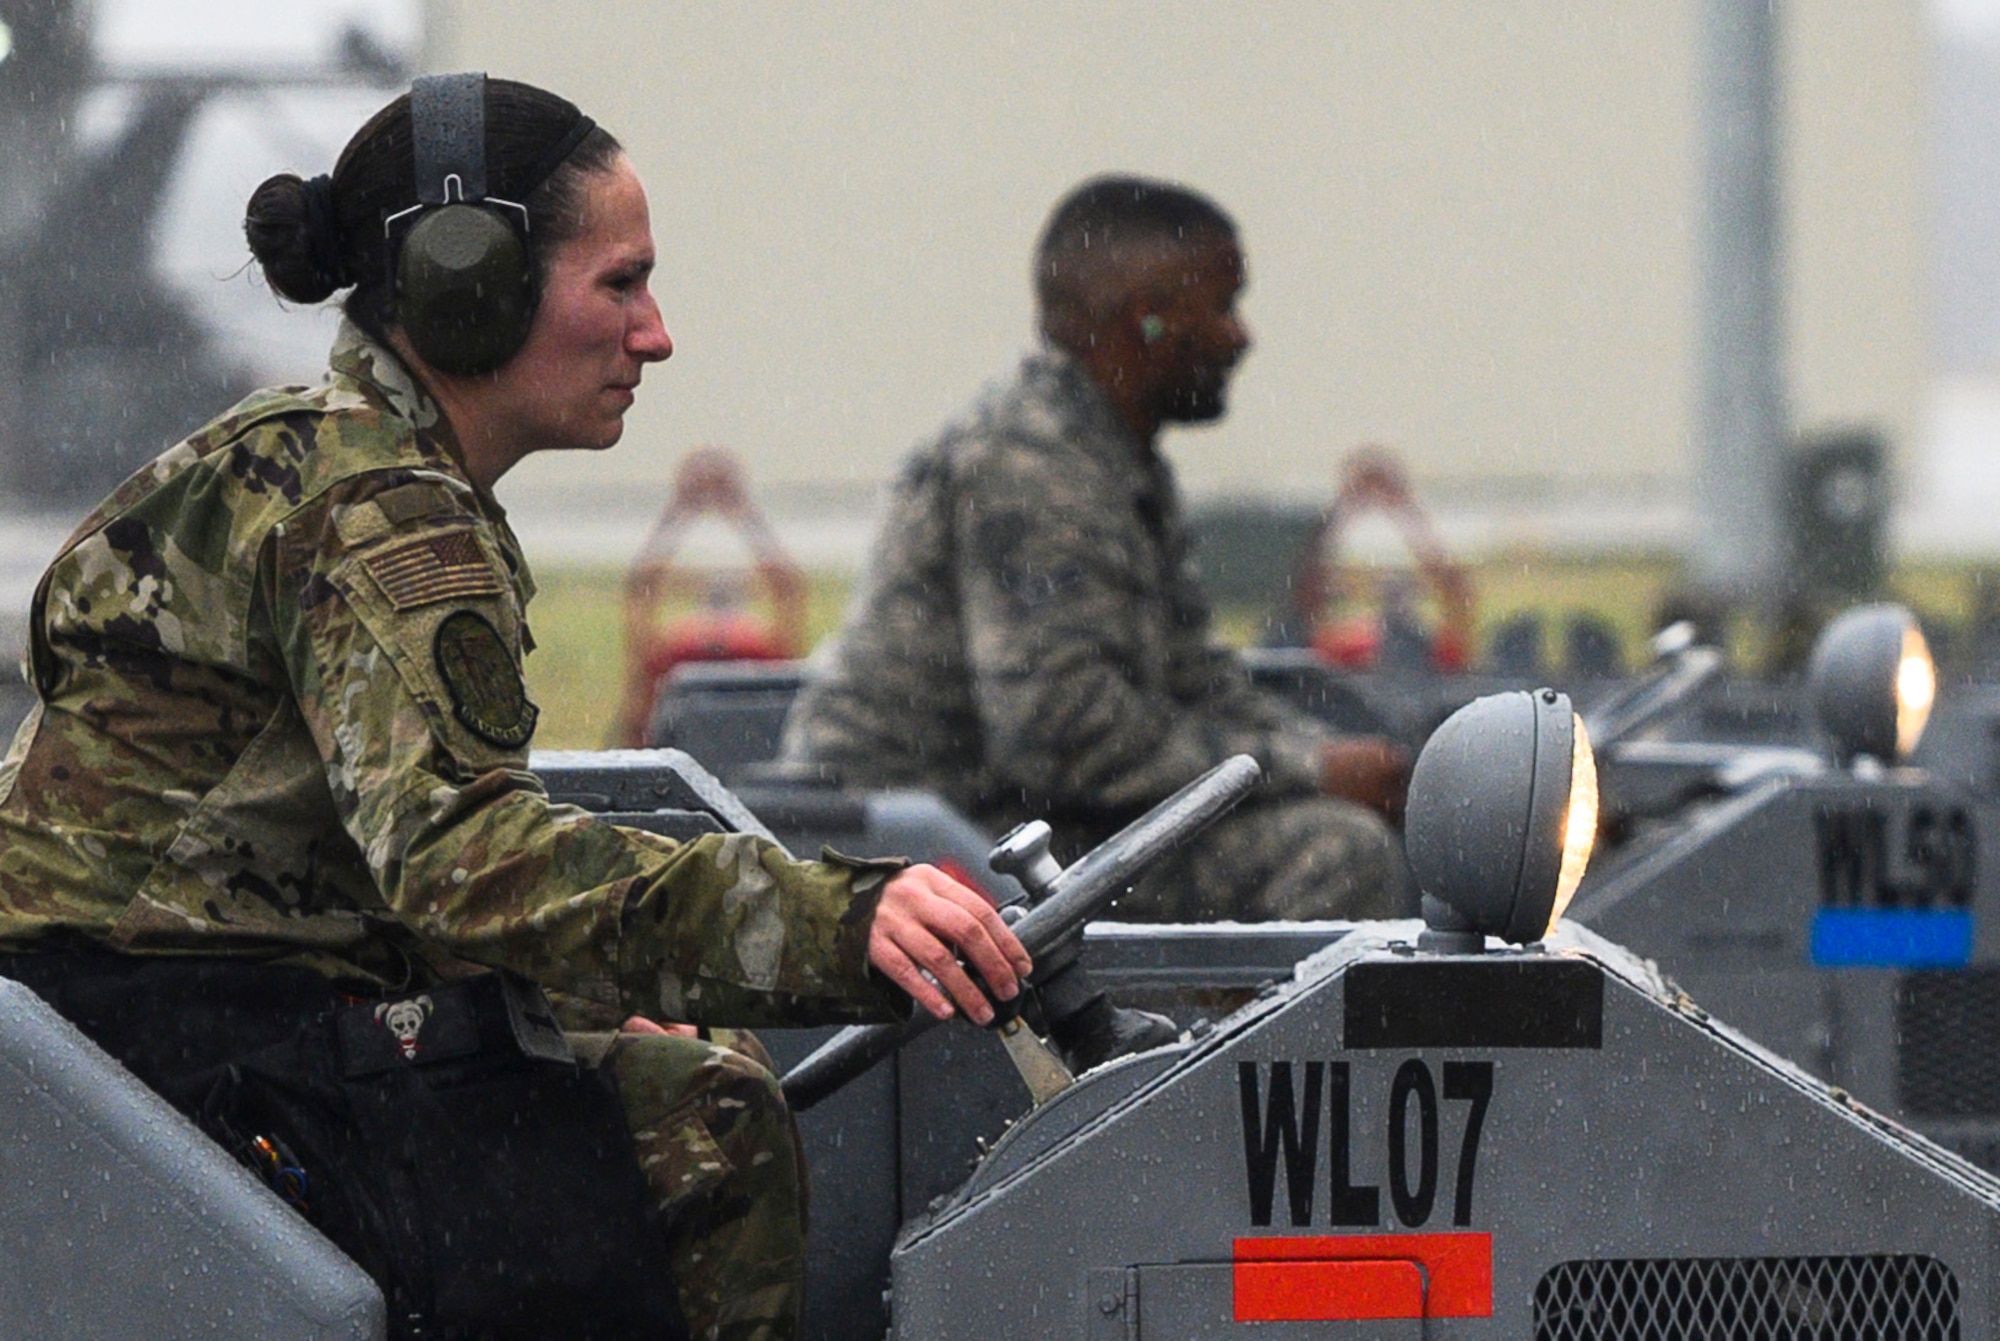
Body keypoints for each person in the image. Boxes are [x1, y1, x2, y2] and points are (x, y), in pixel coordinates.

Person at [0, 75, 1029, 1341]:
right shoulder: (382, 509)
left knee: (613, 1046)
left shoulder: (310, 451)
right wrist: (836, 923)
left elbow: (340, 857)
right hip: (170, 1049)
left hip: (118, 1029)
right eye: (618, 284)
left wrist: (573, 990)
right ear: (465, 283)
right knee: (697, 1120)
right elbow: (458, 860)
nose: (653, 336)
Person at [782, 175, 1409, 922]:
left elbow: (1191, 677)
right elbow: (1062, 734)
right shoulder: (1034, 469)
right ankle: (1198, 1043)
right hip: (937, 849)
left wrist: (1357, 765)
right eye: (1223, 306)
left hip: (1024, 818)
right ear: (1148, 321)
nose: (1240, 337)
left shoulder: (1107, 459)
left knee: (1357, 823)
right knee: (1338, 852)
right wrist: (1308, 770)